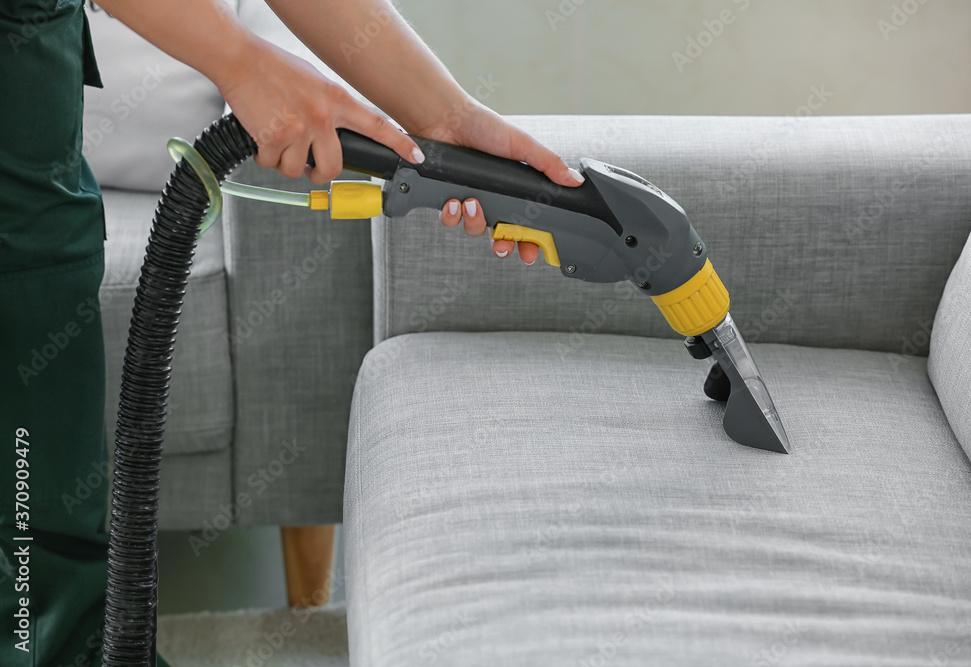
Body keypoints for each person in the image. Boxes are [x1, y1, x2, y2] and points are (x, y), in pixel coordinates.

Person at [0, 0, 582, 665]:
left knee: (48, 542)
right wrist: (242, 62)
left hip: (35, 142)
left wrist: (448, 119)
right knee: (29, 569)